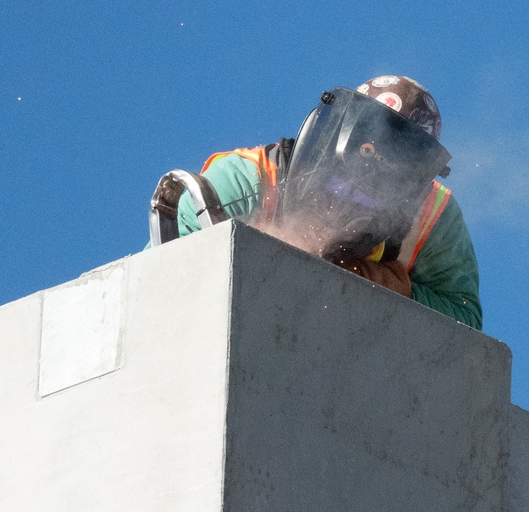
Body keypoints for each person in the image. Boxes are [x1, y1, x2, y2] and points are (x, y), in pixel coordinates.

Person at [174, 76, 482, 330]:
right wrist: (271, 256)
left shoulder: (434, 216)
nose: (350, 203)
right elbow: (173, 282)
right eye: (342, 184)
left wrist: (385, 288)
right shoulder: (245, 179)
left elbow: (464, 322)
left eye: (371, 199)